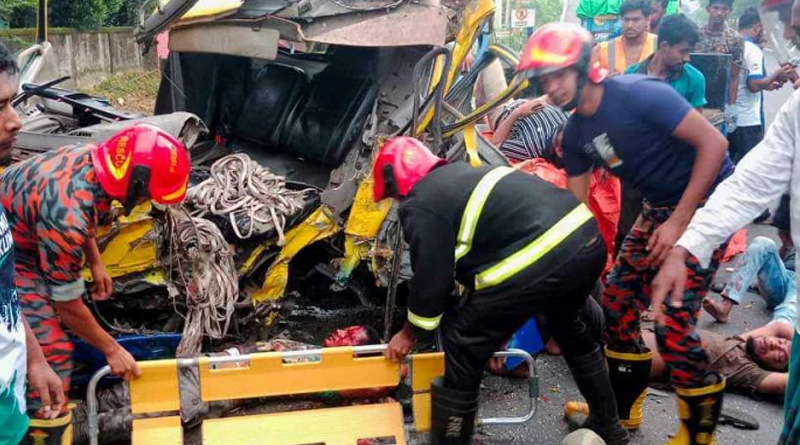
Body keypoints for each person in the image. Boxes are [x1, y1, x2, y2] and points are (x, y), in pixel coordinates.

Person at [519, 23, 734, 443]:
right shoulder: (578, 133)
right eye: (544, 79)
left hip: (707, 205)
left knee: (673, 323)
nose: (553, 87)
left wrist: (679, 222)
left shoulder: (639, 94)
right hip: (658, 209)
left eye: (559, 73)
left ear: (583, 66)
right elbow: (576, 209)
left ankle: (697, 434)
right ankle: (622, 409)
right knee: (616, 304)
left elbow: (715, 146)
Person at [374, 137, 630, 444]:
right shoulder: (461, 176)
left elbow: (432, 281)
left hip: (542, 255)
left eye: (392, 197)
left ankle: (451, 440)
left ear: (396, 184)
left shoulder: (421, 202)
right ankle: (608, 426)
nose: (397, 205)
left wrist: (410, 333)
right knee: (569, 327)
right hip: (585, 241)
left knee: (463, 341)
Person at [650, 0, 800, 438]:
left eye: (797, 29)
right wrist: (686, 246)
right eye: (789, 28)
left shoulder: (741, 368)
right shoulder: (796, 111)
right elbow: (750, 185)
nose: (790, 40)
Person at [0, 123, 191, 440]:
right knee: (53, 351)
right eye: (147, 197)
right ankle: (41, 421)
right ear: (136, 185)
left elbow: (87, 212)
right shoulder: (68, 217)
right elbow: (67, 307)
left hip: (30, 225)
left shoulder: (95, 160)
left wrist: (96, 261)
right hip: (14, 250)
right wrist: (111, 349)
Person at [0, 40, 66, 445]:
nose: (16, 121)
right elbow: (69, 298)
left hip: (11, 412)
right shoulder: (71, 205)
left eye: (11, 103)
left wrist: (35, 359)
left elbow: (3, 291)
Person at [644, 327, 790, 396]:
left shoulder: (746, 370)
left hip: (648, 352)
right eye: (781, 342)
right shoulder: (741, 342)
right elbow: (779, 326)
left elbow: (784, 384)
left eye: (779, 356)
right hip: (645, 327)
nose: (774, 345)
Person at [728, 8, 793, 163]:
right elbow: (754, 85)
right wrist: (776, 73)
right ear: (757, 27)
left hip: (731, 117)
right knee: (748, 167)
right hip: (748, 122)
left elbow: (744, 81)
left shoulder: (732, 43)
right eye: (763, 29)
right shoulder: (752, 49)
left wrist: (770, 83)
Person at [625, 13, 708, 109]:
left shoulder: (694, 79)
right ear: (664, 46)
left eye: (689, 52)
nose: (687, 58)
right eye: (683, 51)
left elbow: (695, 122)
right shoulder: (631, 74)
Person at [696, 0, 745, 130]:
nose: (719, 13)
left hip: (718, 103)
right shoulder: (695, 35)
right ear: (708, 9)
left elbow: (734, 76)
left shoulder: (735, 39)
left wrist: (731, 106)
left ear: (729, 12)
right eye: (715, 8)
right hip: (694, 98)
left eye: (724, 9)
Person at [593, 0, 658, 75]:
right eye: (626, 20)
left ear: (647, 20)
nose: (630, 25)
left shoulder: (659, 45)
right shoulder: (601, 51)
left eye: (636, 20)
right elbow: (590, 83)